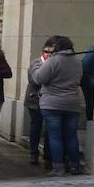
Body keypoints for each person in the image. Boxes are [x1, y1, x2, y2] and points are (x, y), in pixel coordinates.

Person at [33, 36, 84, 176]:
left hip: (52, 104)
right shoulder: (77, 62)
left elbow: (38, 78)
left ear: (57, 47)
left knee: (55, 136)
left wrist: (37, 66)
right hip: (72, 103)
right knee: (71, 136)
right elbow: (79, 80)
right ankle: (75, 166)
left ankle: (58, 167)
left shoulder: (53, 61)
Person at [25, 38, 55, 166]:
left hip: (50, 101)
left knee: (49, 129)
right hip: (34, 100)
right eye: (46, 51)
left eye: (52, 53)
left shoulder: (55, 64)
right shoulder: (35, 63)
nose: (48, 54)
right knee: (35, 127)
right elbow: (35, 81)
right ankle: (33, 153)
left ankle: (48, 156)